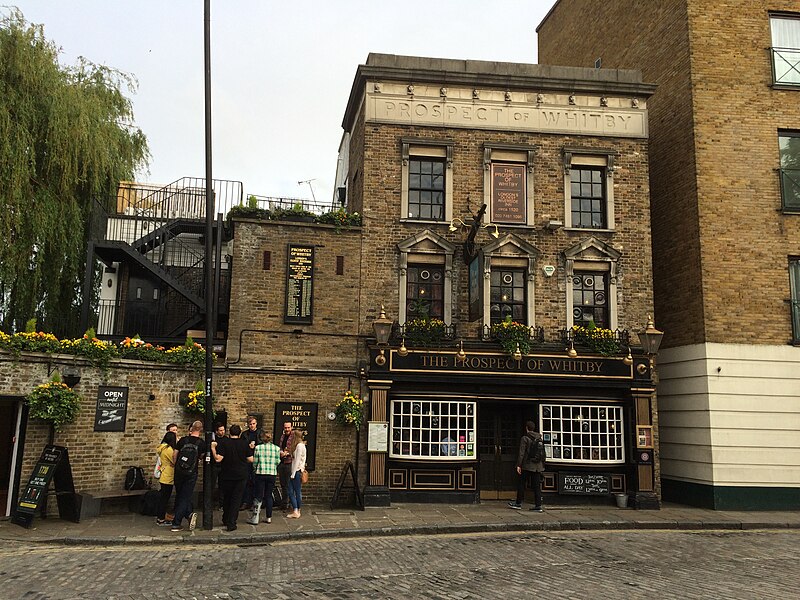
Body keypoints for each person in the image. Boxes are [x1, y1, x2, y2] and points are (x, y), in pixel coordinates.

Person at [212, 423, 253, 532]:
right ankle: (231, 523)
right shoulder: (245, 443)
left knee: (227, 498)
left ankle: (225, 518)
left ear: (230, 433)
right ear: (239, 433)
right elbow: (251, 459)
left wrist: (213, 448)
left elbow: (218, 459)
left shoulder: (224, 442)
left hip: (226, 475)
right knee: (236, 499)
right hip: (240, 475)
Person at [171, 420, 207, 532]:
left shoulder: (182, 440)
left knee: (180, 495)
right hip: (191, 473)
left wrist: (176, 465)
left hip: (178, 472)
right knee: (185, 497)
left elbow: (175, 454)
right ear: (200, 430)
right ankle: (176, 523)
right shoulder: (201, 443)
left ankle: (189, 514)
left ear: (191, 429)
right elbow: (201, 457)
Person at [508, 420, 545, 512]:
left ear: (526, 428)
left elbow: (521, 453)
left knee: (521, 483)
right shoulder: (539, 438)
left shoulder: (525, 438)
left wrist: (518, 465)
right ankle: (538, 505)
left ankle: (518, 503)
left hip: (527, 465)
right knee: (536, 486)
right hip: (538, 466)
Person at [247, 431, 281, 525]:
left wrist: (255, 469)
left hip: (260, 473)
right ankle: (269, 517)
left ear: (262, 438)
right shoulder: (276, 448)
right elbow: (278, 461)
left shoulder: (258, 448)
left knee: (258, 496)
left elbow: (255, 462)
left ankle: (255, 517)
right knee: (269, 495)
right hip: (272, 474)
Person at [155, 430, 177, 526]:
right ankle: (161, 519)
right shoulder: (168, 450)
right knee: (164, 499)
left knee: (163, 498)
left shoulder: (162, 448)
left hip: (164, 474)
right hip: (168, 476)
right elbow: (174, 461)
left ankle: (162, 517)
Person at [241, 416, 263, 509]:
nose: (252, 426)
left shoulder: (260, 433)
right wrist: (248, 446)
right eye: (250, 424)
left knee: (256, 481)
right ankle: (246, 501)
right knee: (246, 481)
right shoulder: (245, 434)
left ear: (256, 424)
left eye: (253, 424)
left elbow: (263, 444)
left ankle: (255, 501)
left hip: (257, 460)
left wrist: (255, 446)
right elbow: (241, 445)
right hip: (247, 460)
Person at [286, 429, 307, 519]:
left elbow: (297, 460)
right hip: (298, 470)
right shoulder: (301, 445)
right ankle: (297, 509)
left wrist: (293, 474)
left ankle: (296, 510)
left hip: (296, 471)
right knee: (296, 491)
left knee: (292, 492)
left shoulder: (299, 446)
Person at [277, 421, 293, 510]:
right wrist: (281, 453)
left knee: (288, 484)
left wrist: (287, 453)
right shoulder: (282, 436)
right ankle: (284, 503)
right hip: (282, 462)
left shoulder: (293, 437)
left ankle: (288, 503)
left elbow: (294, 449)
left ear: (291, 427)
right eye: (285, 427)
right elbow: (280, 447)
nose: (287, 429)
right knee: (283, 484)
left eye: (288, 427)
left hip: (289, 462)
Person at [212, 422, 226, 509]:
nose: (222, 432)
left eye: (223, 430)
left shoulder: (226, 439)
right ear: (216, 431)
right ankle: (211, 502)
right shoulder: (213, 440)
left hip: (224, 465)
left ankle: (222, 503)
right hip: (214, 465)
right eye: (220, 430)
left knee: (223, 485)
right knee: (212, 484)